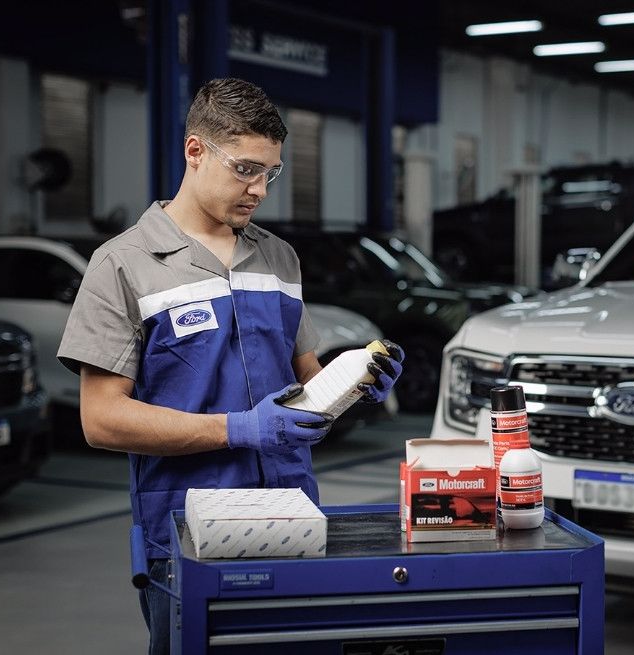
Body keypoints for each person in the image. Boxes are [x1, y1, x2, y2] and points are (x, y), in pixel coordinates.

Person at [56, 77, 404, 655]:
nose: (260, 189)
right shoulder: (123, 265)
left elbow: (308, 385)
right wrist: (239, 429)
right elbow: (100, 419)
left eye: (271, 172)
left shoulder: (278, 258)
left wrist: (353, 385)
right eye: (246, 169)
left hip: (293, 516)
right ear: (196, 151)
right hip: (191, 530)